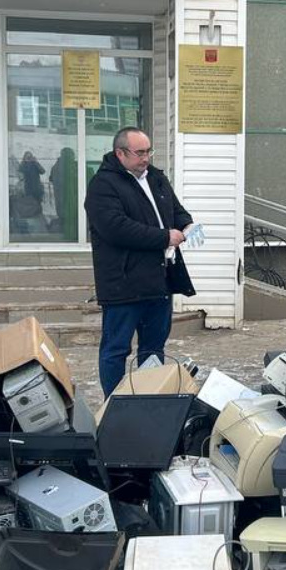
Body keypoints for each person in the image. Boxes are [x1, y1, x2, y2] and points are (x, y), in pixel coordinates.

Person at [86, 126, 197, 397]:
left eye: (149, 151)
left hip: (159, 279)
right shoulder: (103, 185)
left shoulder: (156, 178)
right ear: (120, 153)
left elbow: (176, 211)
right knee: (116, 349)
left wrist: (187, 225)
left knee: (154, 348)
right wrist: (164, 237)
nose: (146, 158)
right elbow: (116, 228)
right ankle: (114, 405)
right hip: (124, 282)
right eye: (139, 153)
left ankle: (148, 401)